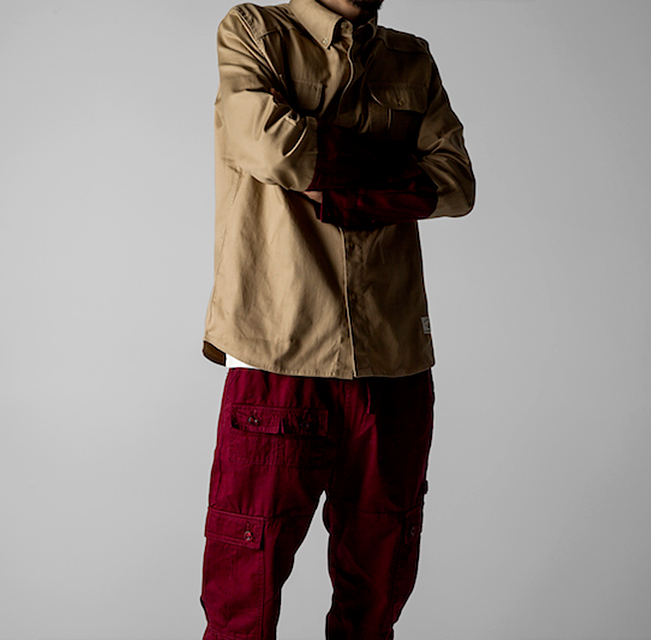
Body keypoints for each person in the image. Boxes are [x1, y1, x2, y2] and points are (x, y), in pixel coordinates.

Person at [199, 0, 475, 638]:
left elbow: (457, 183)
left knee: (373, 610)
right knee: (242, 610)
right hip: (278, 357)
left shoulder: (411, 58)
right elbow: (272, 148)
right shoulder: (254, 32)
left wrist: (337, 178)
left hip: (395, 370)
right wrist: (399, 166)